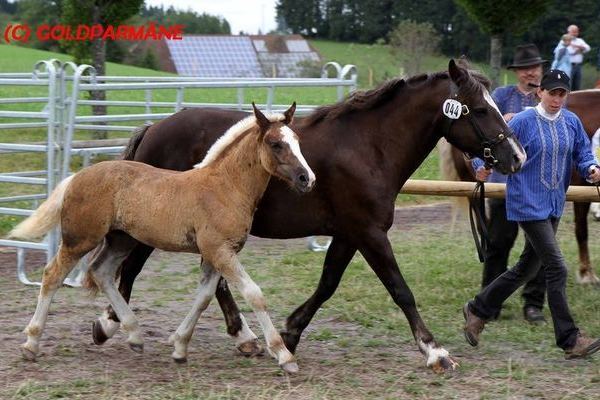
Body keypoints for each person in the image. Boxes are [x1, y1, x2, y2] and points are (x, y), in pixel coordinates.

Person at [463, 70, 600, 359]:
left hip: (553, 204)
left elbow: (583, 154)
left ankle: (478, 309)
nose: (557, 99)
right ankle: (569, 339)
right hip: (526, 203)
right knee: (557, 267)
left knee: (527, 268)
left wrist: (591, 169)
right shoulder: (523, 122)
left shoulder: (572, 122)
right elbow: (491, 147)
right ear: (540, 92)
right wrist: (480, 165)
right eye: (552, 93)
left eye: (562, 94)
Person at [472, 44, 547, 324]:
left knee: (540, 247)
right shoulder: (501, 97)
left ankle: (533, 304)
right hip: (505, 186)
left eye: (535, 67)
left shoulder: (549, 98)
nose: (531, 72)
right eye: (526, 68)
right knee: (498, 245)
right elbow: (480, 137)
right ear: (516, 72)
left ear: (542, 69)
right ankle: (489, 304)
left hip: (539, 188)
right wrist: (480, 167)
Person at [563, 25, 590, 91]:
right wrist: (580, 48)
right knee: (569, 85)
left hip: (578, 66)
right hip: (569, 66)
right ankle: (567, 101)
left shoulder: (580, 40)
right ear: (569, 32)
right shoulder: (564, 40)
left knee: (577, 86)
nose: (575, 33)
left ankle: (576, 101)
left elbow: (588, 48)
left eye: (576, 32)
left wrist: (576, 47)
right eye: (573, 32)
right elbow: (569, 52)